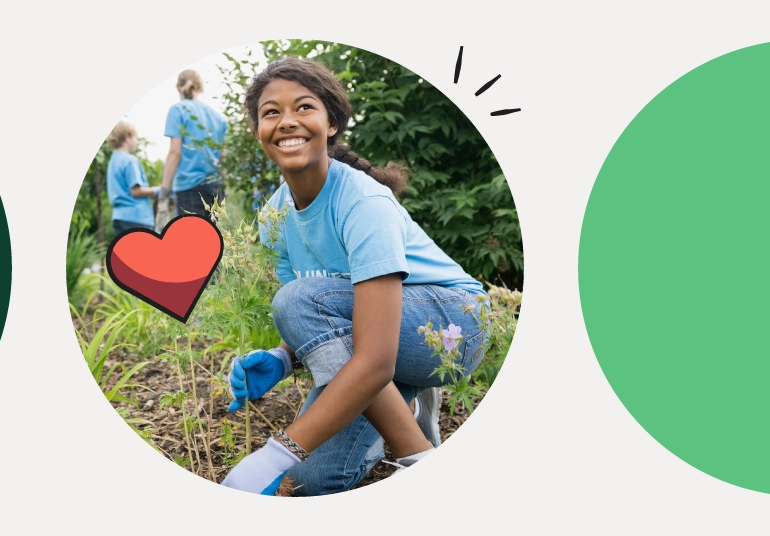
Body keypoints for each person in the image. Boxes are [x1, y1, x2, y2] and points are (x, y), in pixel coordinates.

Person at [220, 57, 490, 496]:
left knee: (296, 301)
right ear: (258, 132)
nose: (287, 121)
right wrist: (285, 356)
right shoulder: (274, 216)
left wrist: (274, 453)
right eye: (271, 112)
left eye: (304, 107)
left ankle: (419, 457)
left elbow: (364, 348)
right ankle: (406, 403)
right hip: (381, 336)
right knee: (310, 480)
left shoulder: (363, 202)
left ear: (331, 124)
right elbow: (333, 325)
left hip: (452, 325)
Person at [158, 69, 228, 223]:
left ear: (178, 87)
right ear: (200, 88)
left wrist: (164, 190)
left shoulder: (177, 110)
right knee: (214, 243)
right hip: (215, 188)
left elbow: (175, 153)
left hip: (189, 189)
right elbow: (223, 158)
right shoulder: (219, 118)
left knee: (191, 245)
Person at [106, 121, 159, 236]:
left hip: (119, 218)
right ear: (127, 138)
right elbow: (135, 191)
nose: (136, 141)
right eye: (135, 138)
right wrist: (157, 190)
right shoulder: (130, 161)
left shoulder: (113, 161)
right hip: (137, 219)